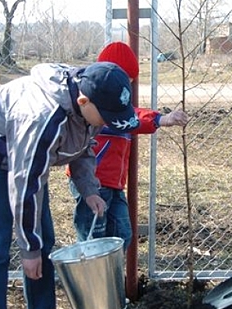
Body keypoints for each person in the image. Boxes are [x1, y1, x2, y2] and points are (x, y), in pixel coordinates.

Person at [0, 61, 141, 309]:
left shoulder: (91, 99)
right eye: (107, 116)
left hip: (32, 159)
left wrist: (89, 190)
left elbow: (84, 144)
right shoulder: (41, 119)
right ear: (83, 101)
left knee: (44, 239)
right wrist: (28, 249)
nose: (108, 122)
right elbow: (25, 186)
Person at [67, 42, 188, 250]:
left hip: (115, 183)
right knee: (93, 238)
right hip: (93, 180)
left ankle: (110, 276)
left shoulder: (118, 108)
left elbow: (132, 115)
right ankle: (90, 277)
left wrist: (160, 118)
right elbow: (135, 116)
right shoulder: (98, 106)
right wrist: (160, 119)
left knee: (122, 234)